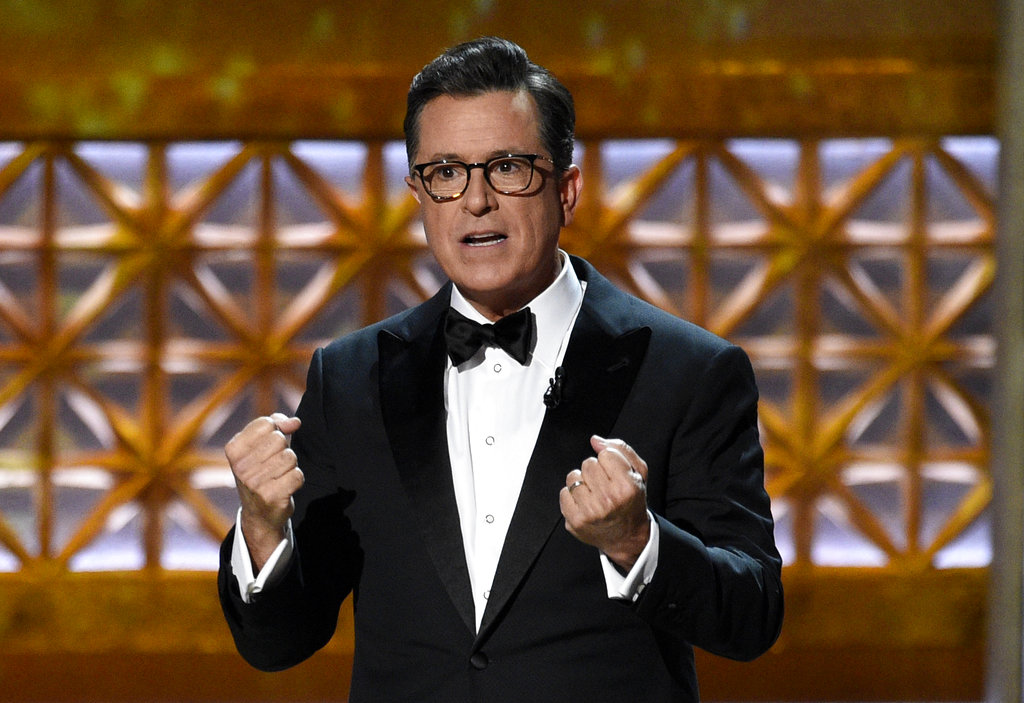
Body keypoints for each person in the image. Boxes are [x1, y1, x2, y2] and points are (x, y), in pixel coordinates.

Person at [218, 36, 783, 702]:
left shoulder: (688, 370)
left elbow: (752, 614)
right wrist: (261, 527)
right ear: (418, 194)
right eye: (446, 173)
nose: (476, 200)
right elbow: (278, 643)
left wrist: (638, 541)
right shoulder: (350, 379)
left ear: (567, 190)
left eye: (508, 168)